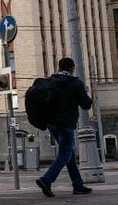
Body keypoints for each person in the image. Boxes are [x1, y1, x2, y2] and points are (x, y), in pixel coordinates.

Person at [35, 57, 94, 197]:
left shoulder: (51, 81)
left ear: (59, 68)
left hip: (51, 124)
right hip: (66, 123)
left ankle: (78, 185)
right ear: (72, 68)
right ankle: (46, 179)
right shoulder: (75, 83)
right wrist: (86, 93)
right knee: (65, 154)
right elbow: (86, 105)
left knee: (69, 154)